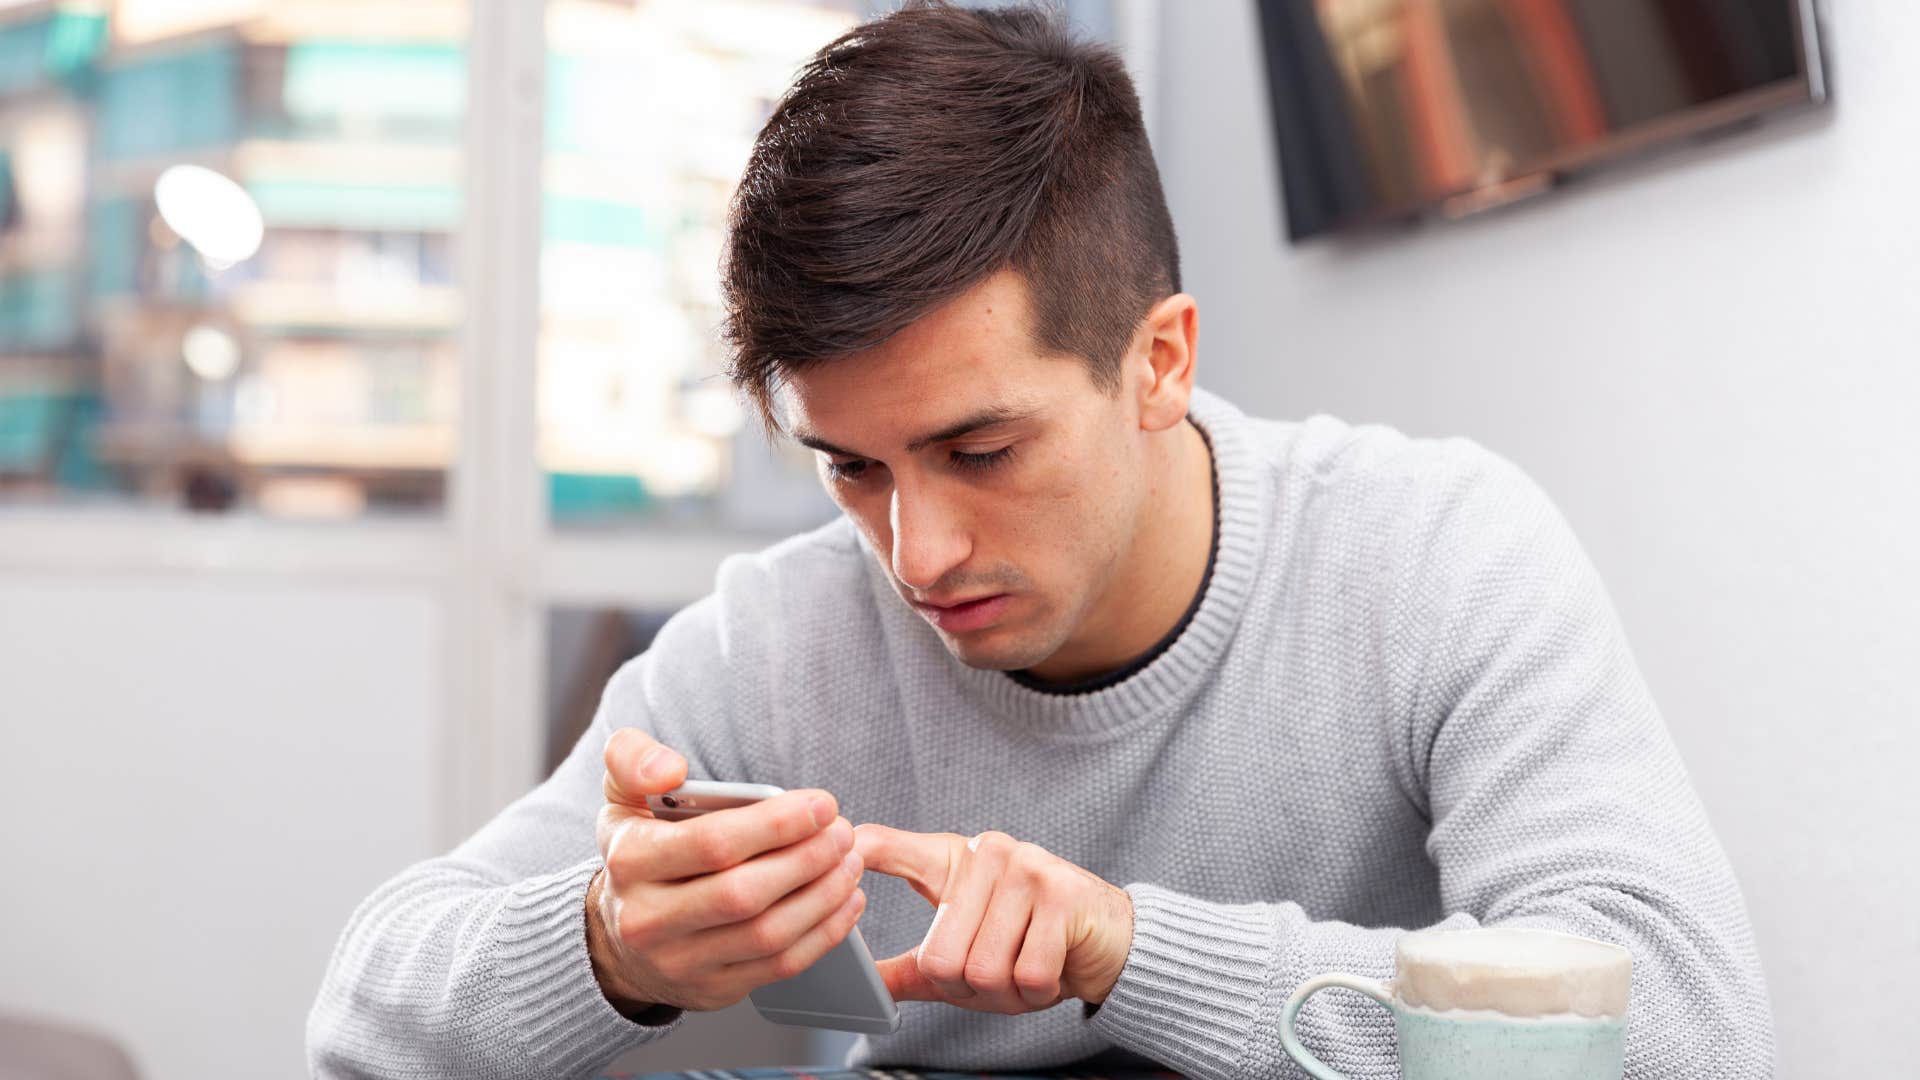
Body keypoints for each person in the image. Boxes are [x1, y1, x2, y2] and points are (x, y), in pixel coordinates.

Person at [307, 3, 1773, 1077]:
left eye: (981, 451)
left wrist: (1130, 949)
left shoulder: (1433, 555)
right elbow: (362, 1019)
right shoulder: (781, 639)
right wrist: (606, 946)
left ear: (1160, 362)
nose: (917, 555)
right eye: (851, 468)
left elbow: (1690, 1031)